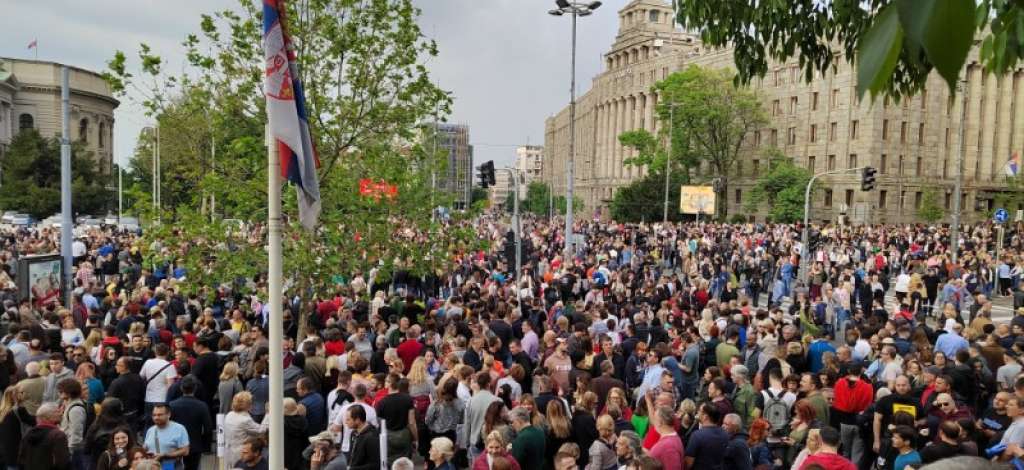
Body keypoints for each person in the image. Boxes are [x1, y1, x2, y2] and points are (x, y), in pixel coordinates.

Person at [167, 377, 213, 470]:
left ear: (181, 388)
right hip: (194, 445)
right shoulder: (202, 406)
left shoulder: (172, 405)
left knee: (172, 467)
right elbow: (208, 428)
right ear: (195, 388)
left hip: (175, 446)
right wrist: (205, 445)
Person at [375, 374, 417, 467]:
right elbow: (411, 422)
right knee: (405, 464)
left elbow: (379, 423)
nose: (384, 382)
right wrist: (416, 438)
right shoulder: (408, 399)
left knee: (390, 463)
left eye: (386, 381)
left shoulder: (381, 403)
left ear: (389, 384)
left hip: (389, 435)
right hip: (404, 435)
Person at [464, 372, 503, 463]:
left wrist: (467, 443)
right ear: (488, 384)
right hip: (493, 443)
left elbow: (467, 424)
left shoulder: (471, 401)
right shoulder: (498, 400)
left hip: (475, 442)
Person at [20, 403, 71, 470]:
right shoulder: (58, 435)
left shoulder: (28, 434)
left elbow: (21, 459)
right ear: (47, 417)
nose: (61, 414)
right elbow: (63, 462)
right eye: (57, 412)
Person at [223, 391, 268, 468]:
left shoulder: (229, 415)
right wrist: (268, 415)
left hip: (229, 452)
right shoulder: (244, 420)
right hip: (242, 453)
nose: (252, 405)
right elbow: (261, 430)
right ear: (247, 405)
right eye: (251, 403)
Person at [142, 404, 189, 470]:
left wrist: (165, 455)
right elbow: (145, 447)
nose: (156, 418)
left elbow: (185, 451)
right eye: (154, 415)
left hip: (171, 467)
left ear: (168, 414)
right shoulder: (150, 430)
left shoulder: (179, 428)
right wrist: (144, 452)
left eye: (160, 415)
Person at [57, 378, 88, 470]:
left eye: (61, 391)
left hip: (73, 450)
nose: (59, 394)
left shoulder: (75, 410)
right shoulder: (70, 405)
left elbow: (76, 433)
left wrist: (69, 452)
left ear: (68, 392)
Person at [346, 405, 381, 470]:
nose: (346, 422)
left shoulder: (371, 437)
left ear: (357, 420)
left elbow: (375, 465)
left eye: (348, 419)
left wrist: (353, 469)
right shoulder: (353, 433)